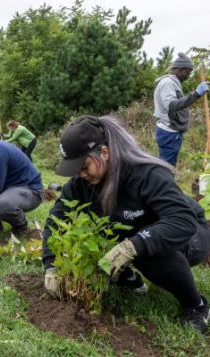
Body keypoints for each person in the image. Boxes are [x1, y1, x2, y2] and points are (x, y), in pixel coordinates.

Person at [42, 115, 210, 333]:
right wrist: (50, 265)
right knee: (102, 238)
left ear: (104, 152)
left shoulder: (146, 174)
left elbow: (182, 221)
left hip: (190, 235)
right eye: (76, 170)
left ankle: (196, 305)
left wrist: (134, 246)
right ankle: (130, 280)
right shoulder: (80, 184)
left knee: (145, 248)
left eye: (84, 166)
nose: (81, 175)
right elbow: (56, 221)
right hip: (137, 230)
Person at [154, 53, 209, 166]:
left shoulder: (173, 83)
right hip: (169, 132)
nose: (188, 76)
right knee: (167, 167)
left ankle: (166, 182)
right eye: (187, 73)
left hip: (172, 132)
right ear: (180, 70)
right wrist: (196, 94)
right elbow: (172, 105)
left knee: (168, 165)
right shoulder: (168, 83)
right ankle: (165, 183)